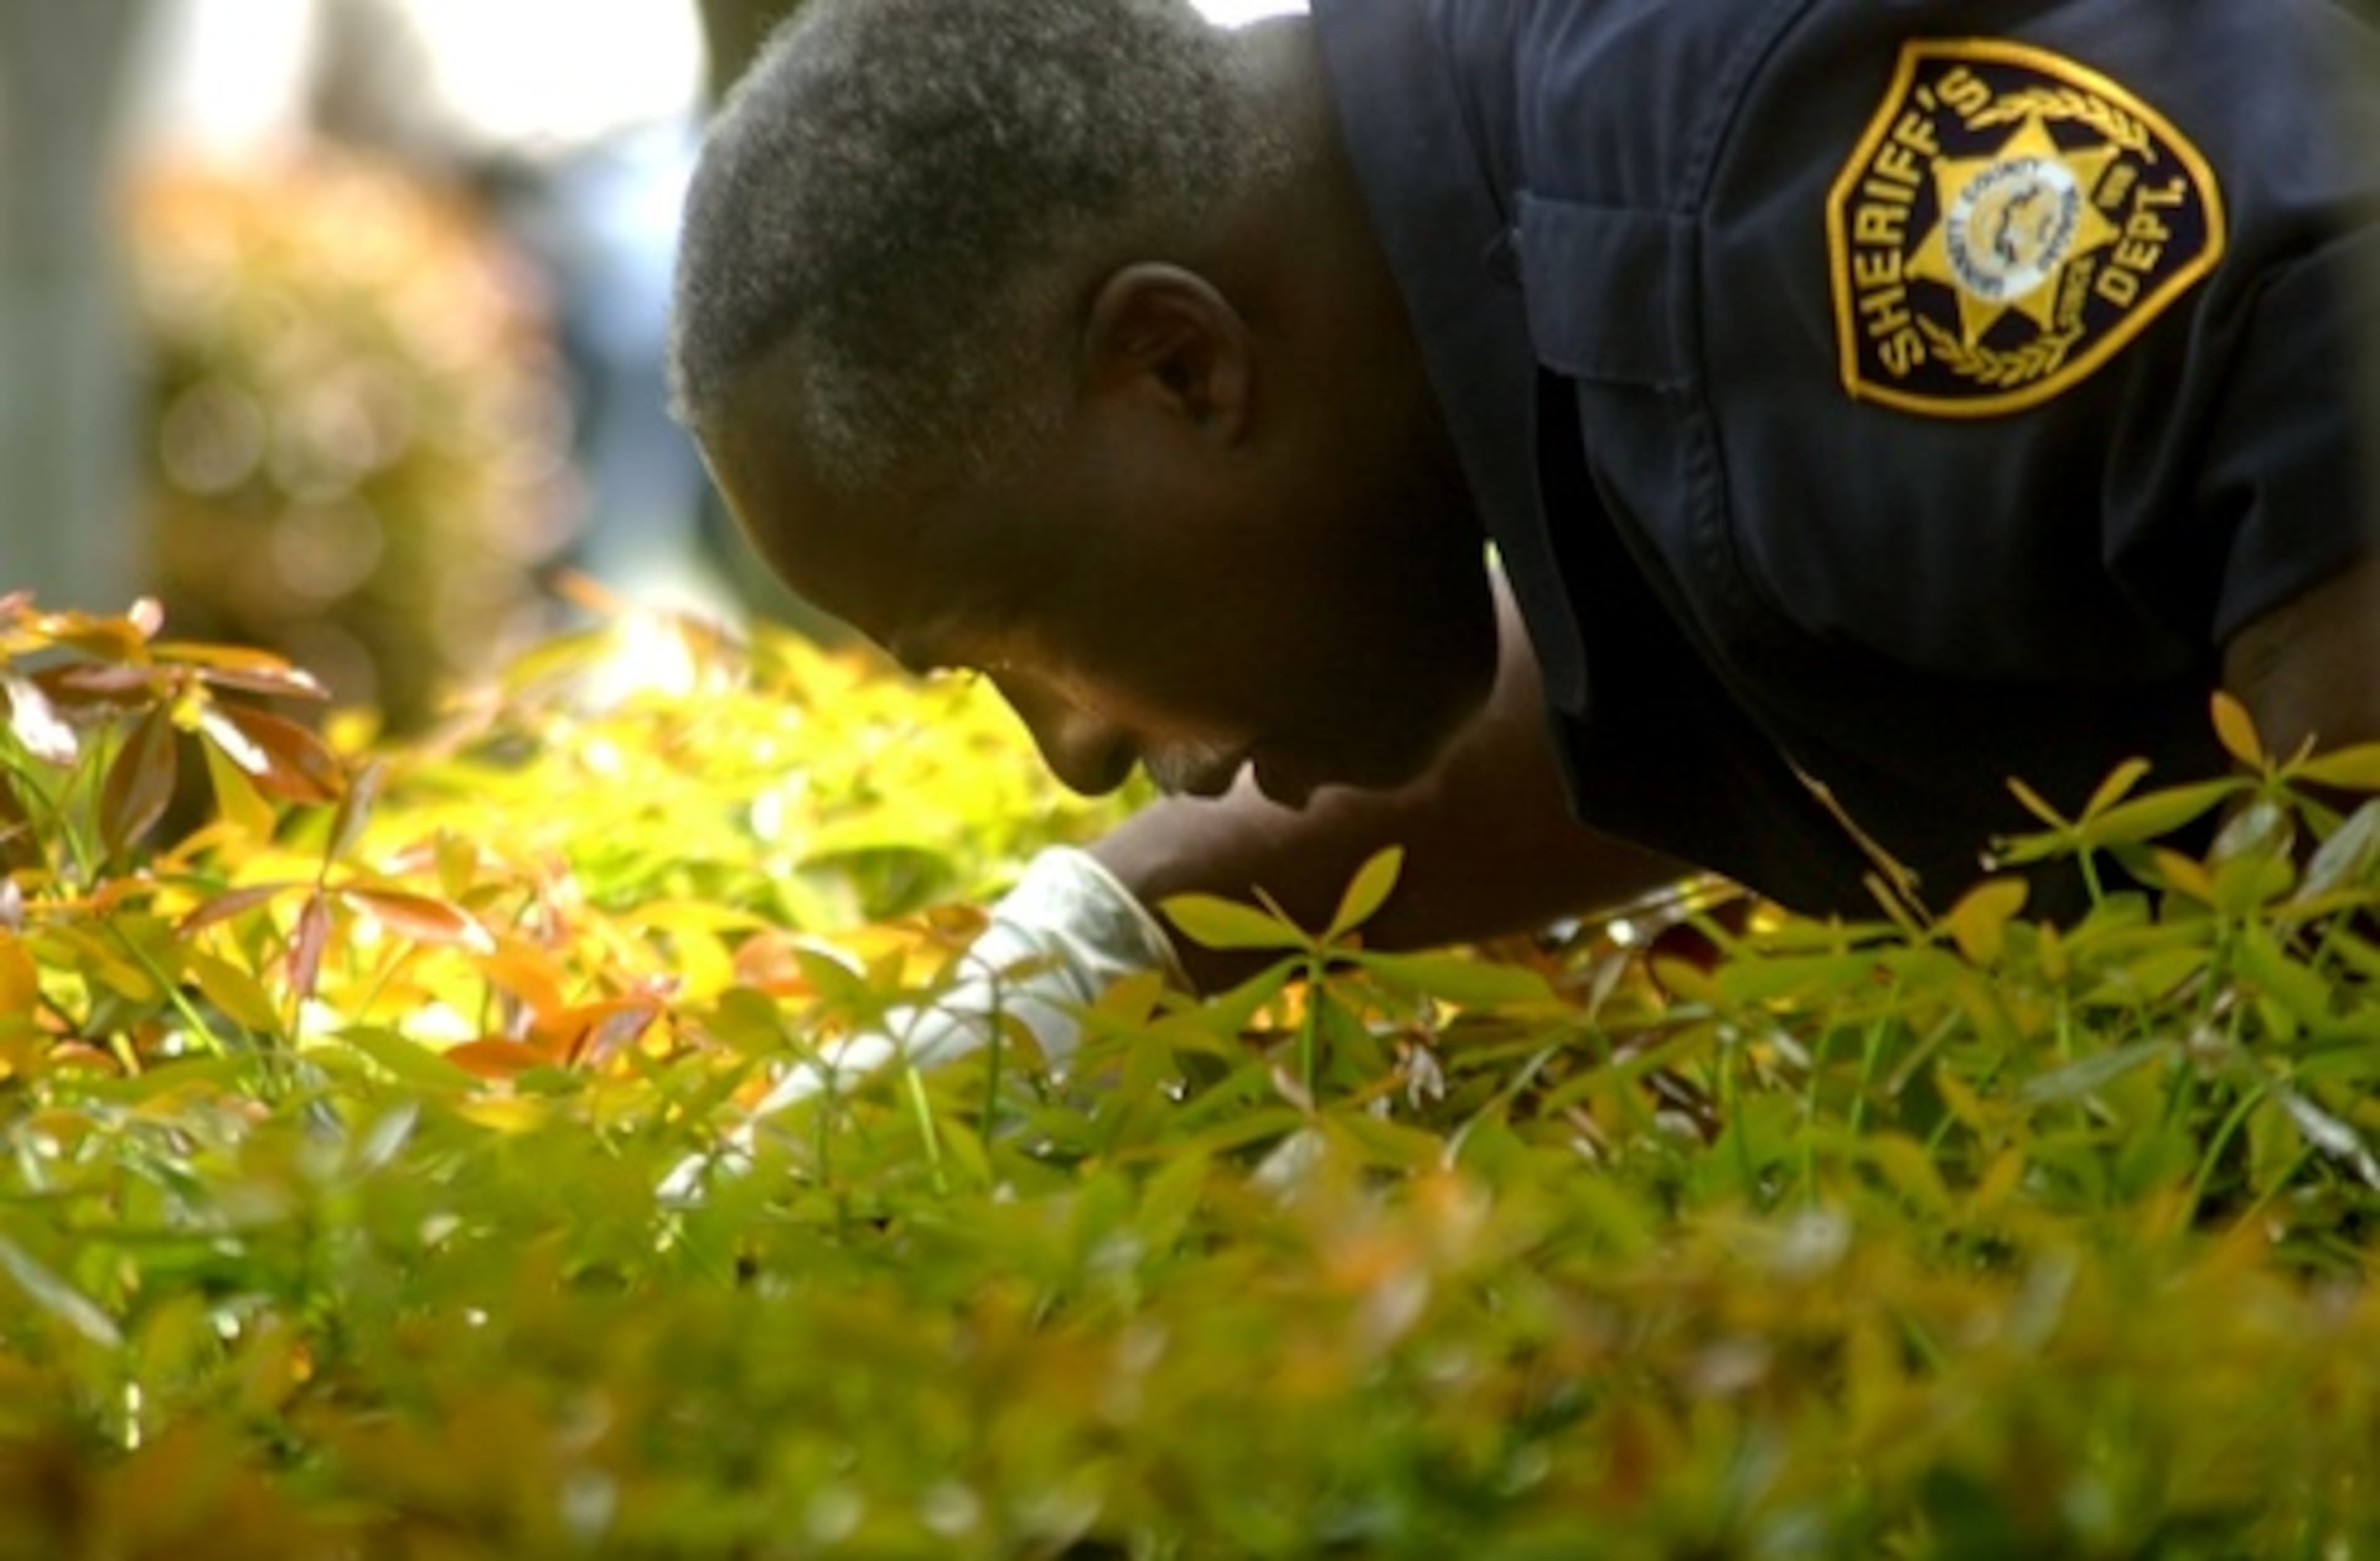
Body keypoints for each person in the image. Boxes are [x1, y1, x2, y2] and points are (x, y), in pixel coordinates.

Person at [666, 0, 2380, 1083]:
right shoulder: (1540, 185)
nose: (1079, 750)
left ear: (1179, 365)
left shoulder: (1753, 189)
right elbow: (1695, 624)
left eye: (1008, 644)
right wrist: (1107, 942)